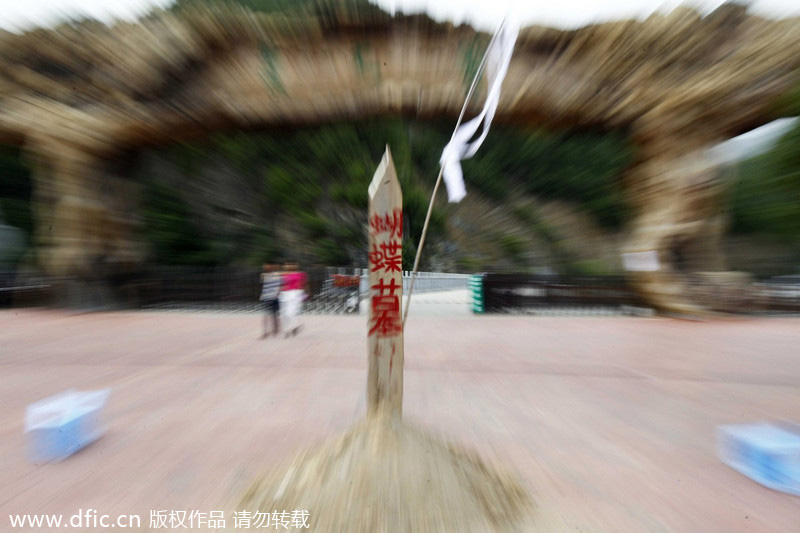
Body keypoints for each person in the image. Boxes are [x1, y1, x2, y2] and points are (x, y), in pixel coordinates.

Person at [280, 262, 308, 337]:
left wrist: (305, 294)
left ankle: (291, 328)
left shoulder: (301, 274)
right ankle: (291, 327)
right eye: (286, 265)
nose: (288, 266)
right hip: (285, 294)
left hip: (296, 293)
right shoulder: (283, 274)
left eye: (290, 264)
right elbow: (281, 284)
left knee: (292, 312)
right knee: (284, 313)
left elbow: (305, 284)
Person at [259, 263, 282, 338]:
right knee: (266, 315)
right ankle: (265, 331)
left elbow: (280, 286)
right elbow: (262, 281)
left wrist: (277, 294)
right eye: (265, 266)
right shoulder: (264, 275)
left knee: (274, 315)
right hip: (266, 297)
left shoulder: (278, 275)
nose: (265, 267)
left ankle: (275, 329)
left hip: (274, 297)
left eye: (267, 265)